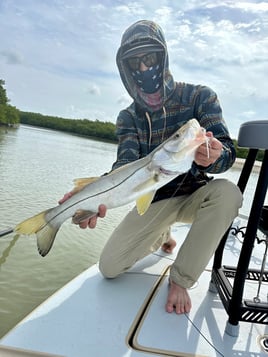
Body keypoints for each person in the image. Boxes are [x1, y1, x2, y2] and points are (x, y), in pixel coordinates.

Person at [60, 20, 242, 314]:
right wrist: (90, 197)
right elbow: (125, 165)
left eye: (150, 59)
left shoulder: (199, 97)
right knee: (109, 267)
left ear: (163, 56)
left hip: (197, 193)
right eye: (135, 63)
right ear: (126, 69)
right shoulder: (128, 117)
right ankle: (162, 234)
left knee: (229, 193)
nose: (144, 69)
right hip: (154, 198)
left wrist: (215, 156)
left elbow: (228, 152)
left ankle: (181, 279)